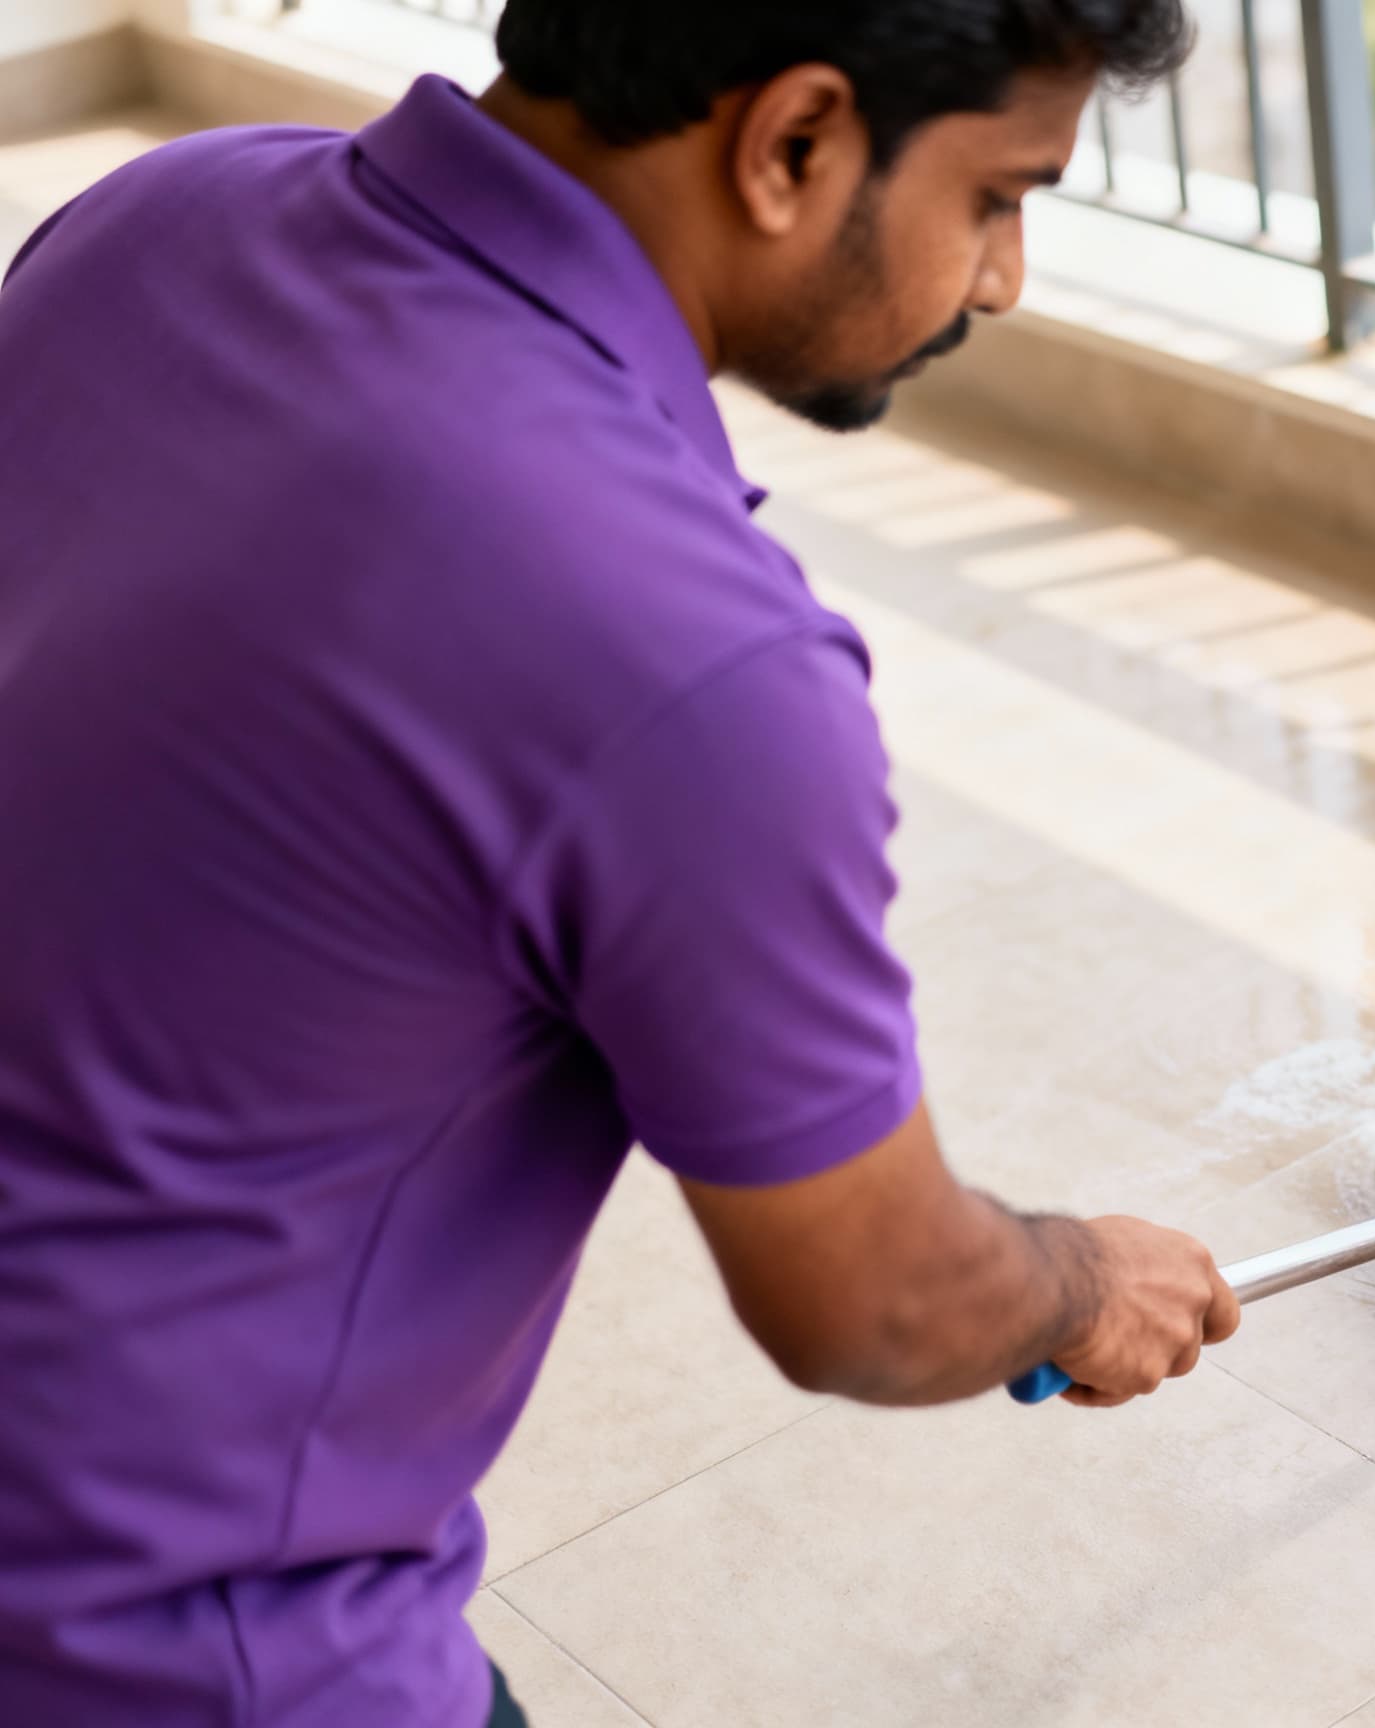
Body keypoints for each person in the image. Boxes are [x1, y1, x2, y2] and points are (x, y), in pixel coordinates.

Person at [0, 4, 1240, 1724]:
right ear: (794, 142)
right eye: (999, 196)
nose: (1004, 278)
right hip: (147, 1642)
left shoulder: (164, 215)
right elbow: (871, 1302)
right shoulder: (689, 661)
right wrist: (1078, 1286)